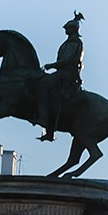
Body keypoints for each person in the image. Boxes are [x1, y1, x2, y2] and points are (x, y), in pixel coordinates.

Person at [40, 11, 85, 141]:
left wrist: (51, 65)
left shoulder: (74, 43)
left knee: (43, 85)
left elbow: (67, 60)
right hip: (61, 73)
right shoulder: (68, 43)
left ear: (73, 29)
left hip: (67, 75)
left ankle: (44, 120)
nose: (65, 30)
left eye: (67, 28)